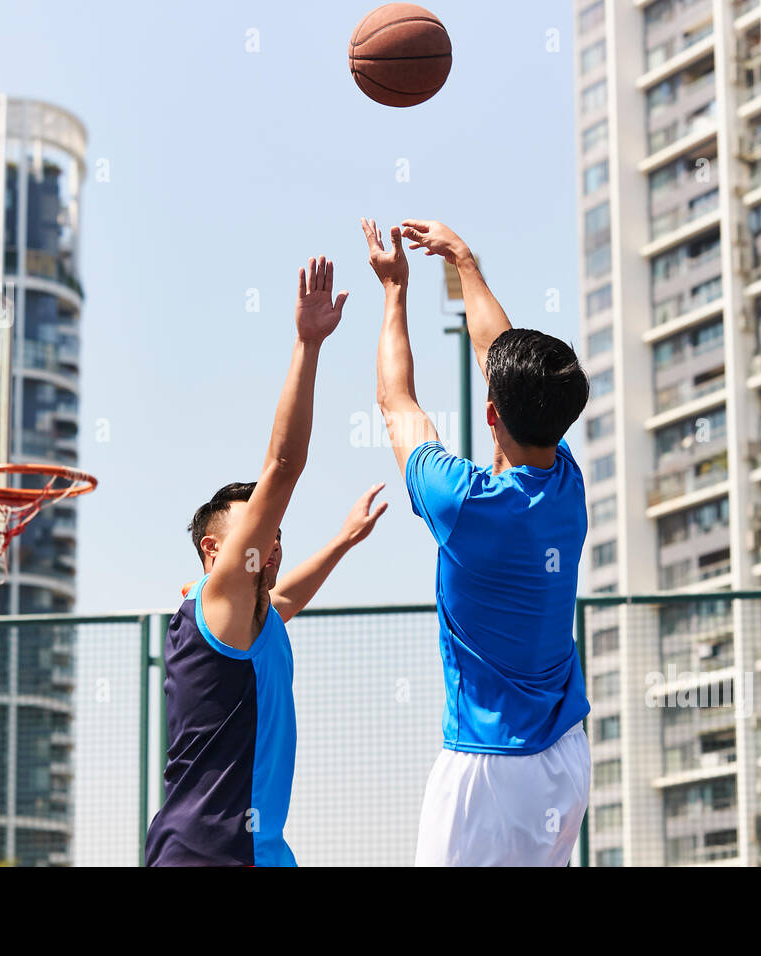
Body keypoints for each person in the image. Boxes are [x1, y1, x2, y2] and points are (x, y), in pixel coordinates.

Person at [361, 217, 592, 866]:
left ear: (491, 413)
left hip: (490, 769)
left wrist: (394, 292)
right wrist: (463, 261)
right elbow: (505, 356)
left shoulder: (464, 504)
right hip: (566, 757)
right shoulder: (565, 481)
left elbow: (395, 401)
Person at [145, 256, 386, 866]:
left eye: (277, 534)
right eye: (260, 531)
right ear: (213, 553)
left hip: (259, 851)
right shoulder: (220, 599)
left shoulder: (251, 617)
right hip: (209, 854)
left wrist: (341, 540)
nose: (272, 542)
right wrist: (308, 346)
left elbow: (287, 599)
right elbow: (282, 466)